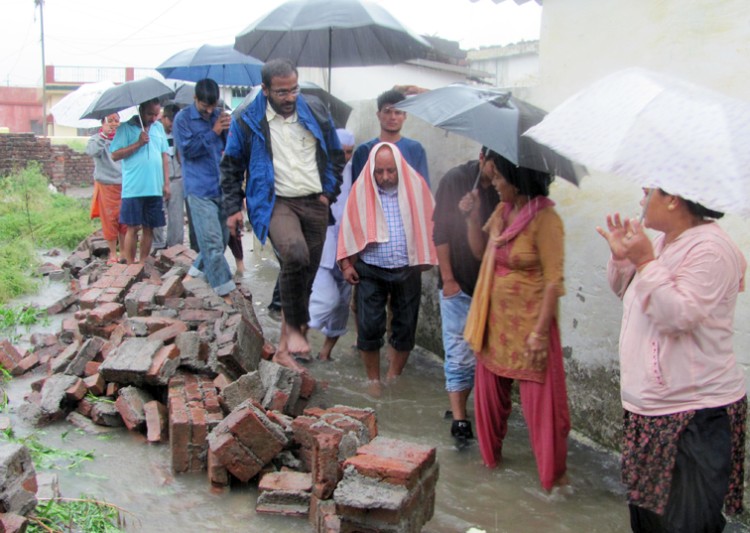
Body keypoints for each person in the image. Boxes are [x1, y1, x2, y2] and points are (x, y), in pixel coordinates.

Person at [597, 189, 747, 532]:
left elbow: (677, 316)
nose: (641, 200)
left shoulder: (711, 250)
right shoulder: (665, 242)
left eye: (648, 192)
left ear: (673, 199)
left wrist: (646, 262)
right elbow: (632, 295)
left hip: (693, 414)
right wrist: (625, 260)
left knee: (687, 524)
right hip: (651, 409)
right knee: (649, 520)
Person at [221, 58, 344, 366]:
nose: (289, 98)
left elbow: (335, 154)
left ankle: (286, 348)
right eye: (281, 92)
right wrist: (234, 208)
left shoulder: (315, 111)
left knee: (305, 278)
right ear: (265, 90)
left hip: (315, 202)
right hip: (276, 202)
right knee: (295, 254)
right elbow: (232, 166)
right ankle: (287, 345)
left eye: (293, 90)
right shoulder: (247, 121)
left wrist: (329, 193)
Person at [462, 155, 569, 492]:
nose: (493, 181)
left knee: (545, 417)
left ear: (517, 177)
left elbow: (553, 281)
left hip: (530, 330)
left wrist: (539, 333)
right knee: (489, 406)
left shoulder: (547, 220)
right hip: (495, 324)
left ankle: (551, 487)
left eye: (499, 177)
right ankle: (489, 468)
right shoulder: (503, 211)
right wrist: (470, 217)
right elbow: (481, 253)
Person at [337, 142, 437, 390]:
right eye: (379, 171)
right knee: (370, 328)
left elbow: (431, 221)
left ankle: (393, 376)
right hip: (371, 269)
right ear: (371, 170)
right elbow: (348, 227)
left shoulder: (417, 187)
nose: (385, 177)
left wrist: (427, 255)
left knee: (405, 329)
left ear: (400, 168)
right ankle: (374, 380)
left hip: (407, 268)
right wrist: (346, 263)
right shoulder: (361, 191)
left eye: (390, 170)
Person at [433, 148, 500, 446]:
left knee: (478, 356)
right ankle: (460, 418)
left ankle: (459, 402)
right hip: (458, 280)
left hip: (489, 284)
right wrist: (448, 279)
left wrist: (473, 216)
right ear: (482, 157)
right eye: (494, 168)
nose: (498, 177)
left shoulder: (504, 191)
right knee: (458, 350)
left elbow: (486, 248)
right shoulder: (455, 180)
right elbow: (441, 233)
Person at [173, 78, 235, 303]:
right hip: (199, 189)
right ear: (195, 99)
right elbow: (188, 151)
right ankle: (225, 292)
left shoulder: (221, 115)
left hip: (221, 187)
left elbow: (231, 150)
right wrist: (214, 130)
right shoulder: (183, 120)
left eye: (213, 106)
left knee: (221, 241)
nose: (209, 110)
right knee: (211, 244)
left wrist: (227, 129)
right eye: (204, 106)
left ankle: (194, 275)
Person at [308, 128, 356, 361]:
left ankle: (324, 354)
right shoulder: (316, 172)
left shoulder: (355, 172)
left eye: (349, 152)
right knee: (326, 300)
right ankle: (295, 342)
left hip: (348, 249)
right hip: (323, 249)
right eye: (341, 151)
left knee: (341, 307)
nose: (345, 157)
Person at [110, 98, 170, 265]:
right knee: (132, 227)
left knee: (149, 227)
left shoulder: (158, 128)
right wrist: (138, 143)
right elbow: (115, 155)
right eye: (150, 114)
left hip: (154, 187)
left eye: (156, 114)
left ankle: (143, 262)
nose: (153, 118)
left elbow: (164, 156)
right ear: (141, 110)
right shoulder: (125, 128)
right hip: (134, 188)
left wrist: (166, 183)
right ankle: (129, 263)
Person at [351, 89, 429, 185]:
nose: (392, 117)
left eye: (398, 112)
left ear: (405, 116)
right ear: (378, 115)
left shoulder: (415, 150)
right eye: (387, 112)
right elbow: (357, 191)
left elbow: (423, 189)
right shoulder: (364, 151)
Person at [86, 113, 125, 264]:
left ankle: (124, 251)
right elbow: (91, 152)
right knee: (109, 219)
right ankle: (112, 254)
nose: (114, 124)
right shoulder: (96, 139)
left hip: (124, 183)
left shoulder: (122, 137)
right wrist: (104, 136)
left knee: (125, 220)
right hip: (106, 184)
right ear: (102, 123)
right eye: (110, 121)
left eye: (116, 120)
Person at [152, 103, 185, 250]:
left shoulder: (180, 132)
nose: (172, 124)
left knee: (177, 217)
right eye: (170, 121)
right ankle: (157, 246)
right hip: (158, 179)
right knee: (157, 215)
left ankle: (175, 248)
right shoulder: (153, 132)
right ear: (163, 118)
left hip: (177, 178)